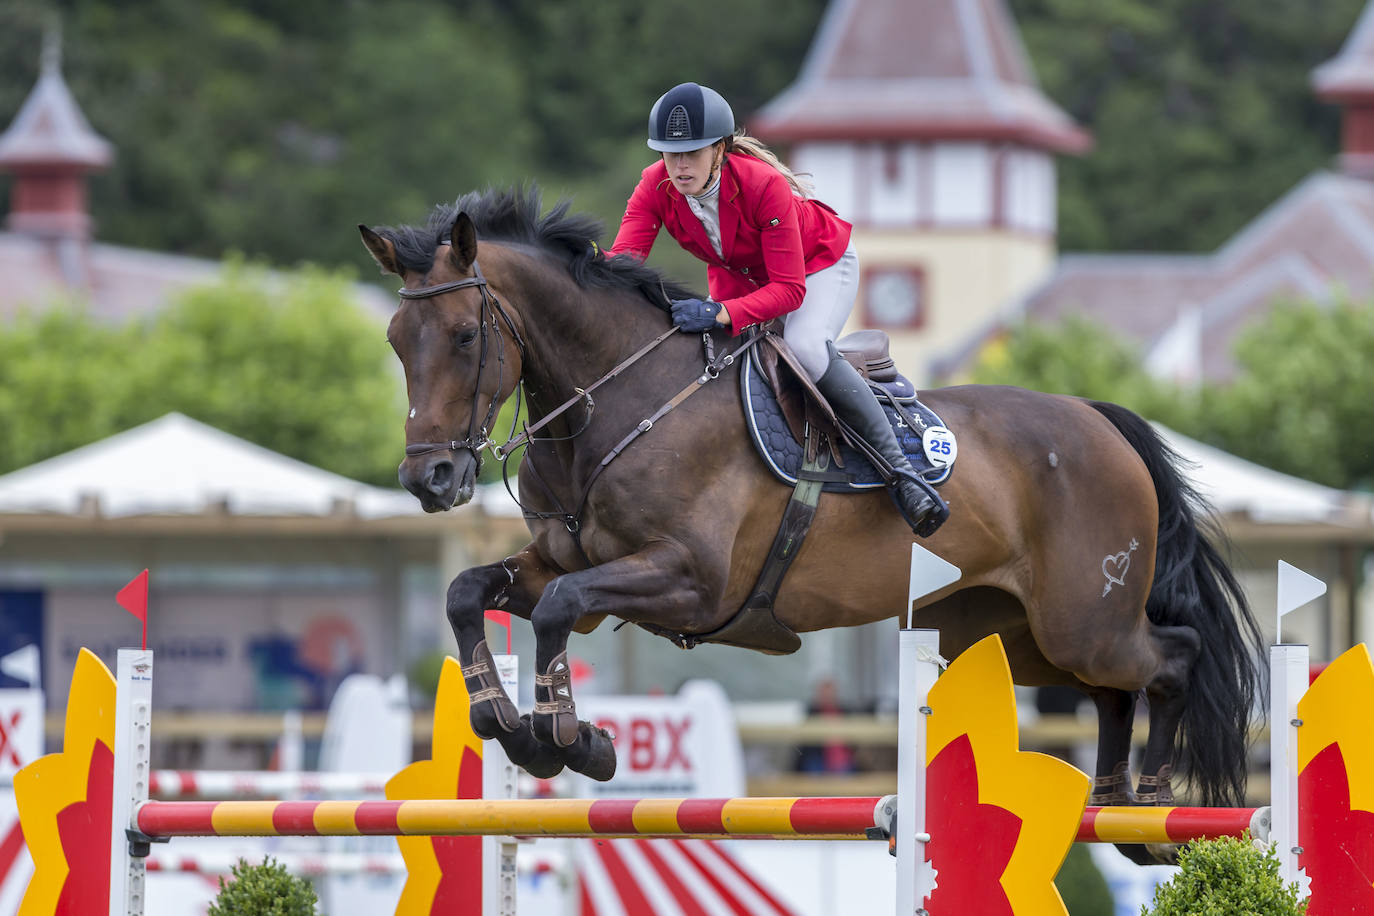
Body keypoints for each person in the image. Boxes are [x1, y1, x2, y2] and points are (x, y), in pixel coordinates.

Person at [609, 81, 945, 535]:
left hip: (818, 265)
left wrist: (721, 313)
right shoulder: (654, 186)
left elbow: (789, 291)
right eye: (670, 154)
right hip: (742, 279)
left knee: (804, 347)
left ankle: (903, 474)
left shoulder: (762, 185)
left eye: (692, 152)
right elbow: (623, 265)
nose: (680, 165)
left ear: (721, 150)